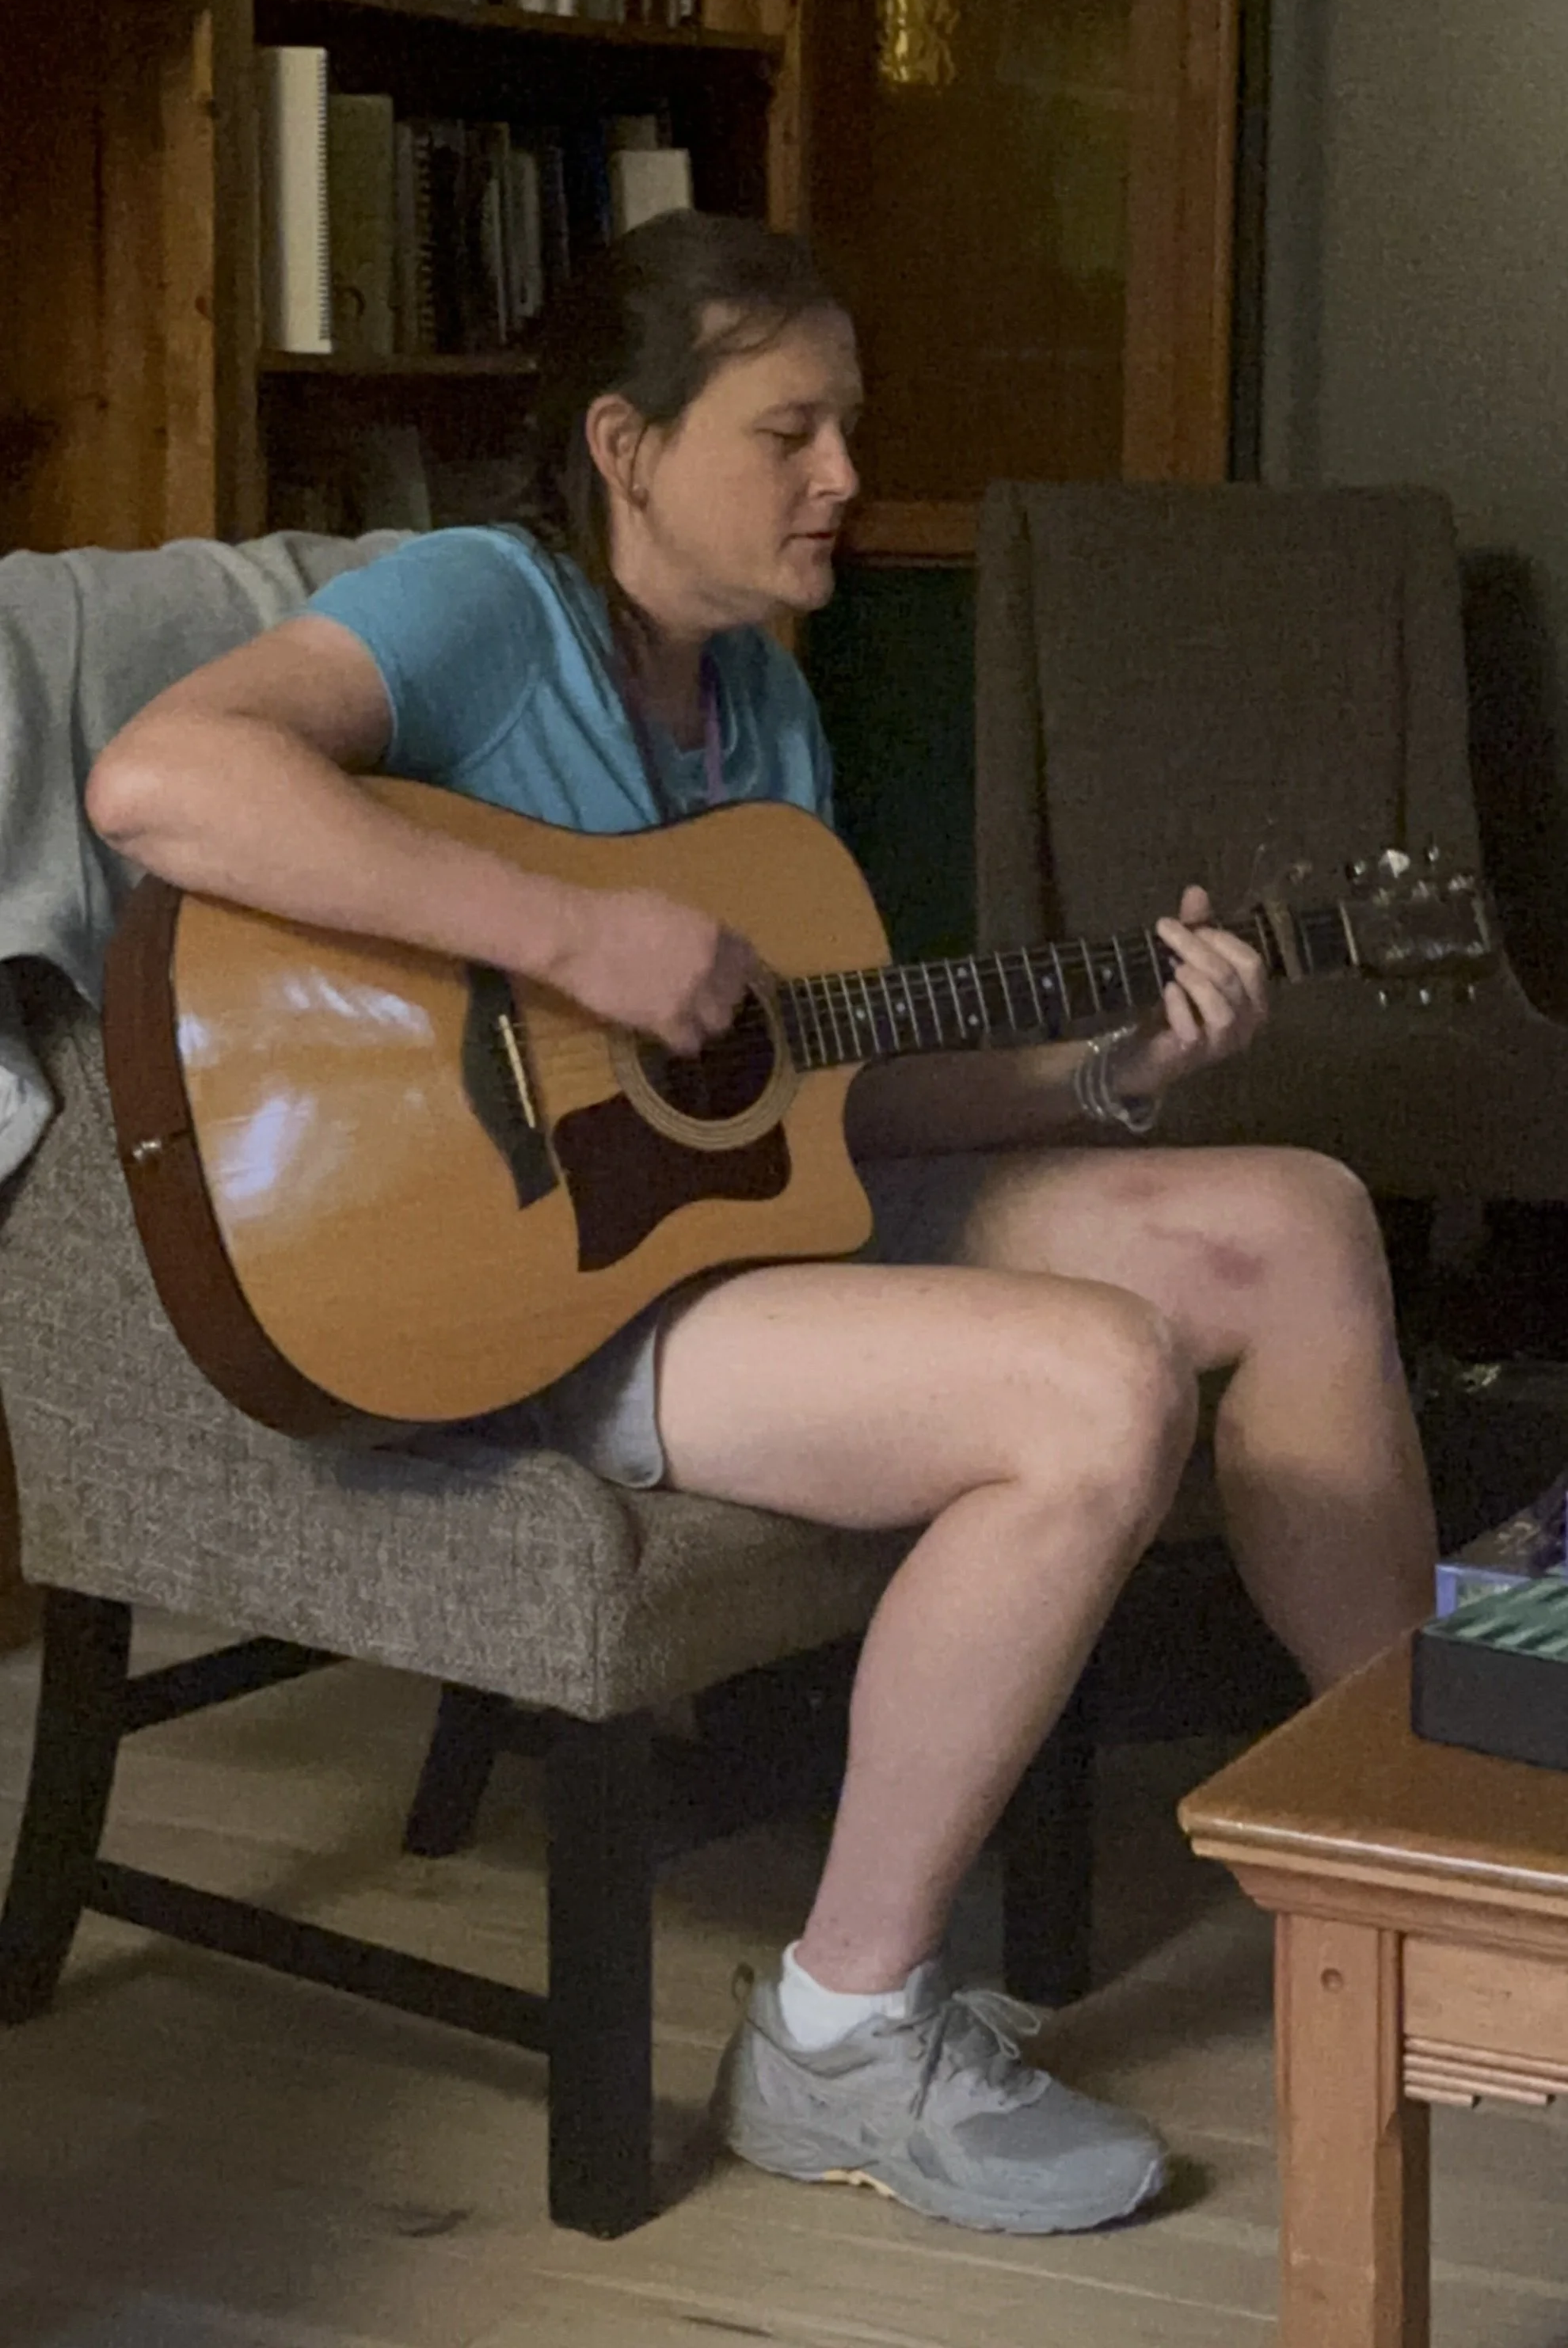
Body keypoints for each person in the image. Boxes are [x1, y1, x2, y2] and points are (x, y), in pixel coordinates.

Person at [86, 211, 1437, 2241]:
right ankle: (841, 2025)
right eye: (791, 430)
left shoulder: (761, 711)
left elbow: (822, 1095)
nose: (845, 477)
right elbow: (158, 780)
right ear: (626, 446)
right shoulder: (481, 604)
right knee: (1093, 1383)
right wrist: (573, 934)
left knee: (1298, 1217)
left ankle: (1432, 1862)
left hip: (731, 1250)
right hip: (514, 1293)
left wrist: (1110, 1067)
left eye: (849, 428)